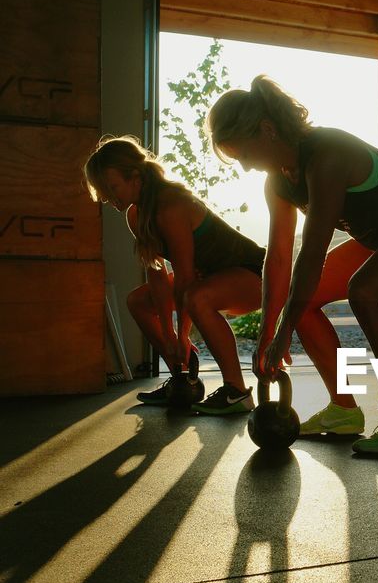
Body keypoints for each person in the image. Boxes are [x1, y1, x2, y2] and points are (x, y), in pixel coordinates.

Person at [205, 75, 378, 455]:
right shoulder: (277, 181)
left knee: (364, 292)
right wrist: (267, 334)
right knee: (305, 302)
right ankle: (343, 409)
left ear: (267, 130)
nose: (244, 167)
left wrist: (284, 332)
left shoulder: (327, 155)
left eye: (244, 154)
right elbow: (278, 258)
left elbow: (311, 250)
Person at [84, 136, 265, 414]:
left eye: (111, 187)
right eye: (102, 191)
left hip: (254, 276)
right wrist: (168, 335)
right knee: (138, 302)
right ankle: (182, 380)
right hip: (208, 279)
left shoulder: (171, 206)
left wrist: (182, 333)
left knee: (196, 296)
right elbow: (157, 276)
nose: (108, 197)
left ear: (134, 176)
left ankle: (237, 392)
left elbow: (185, 277)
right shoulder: (136, 214)